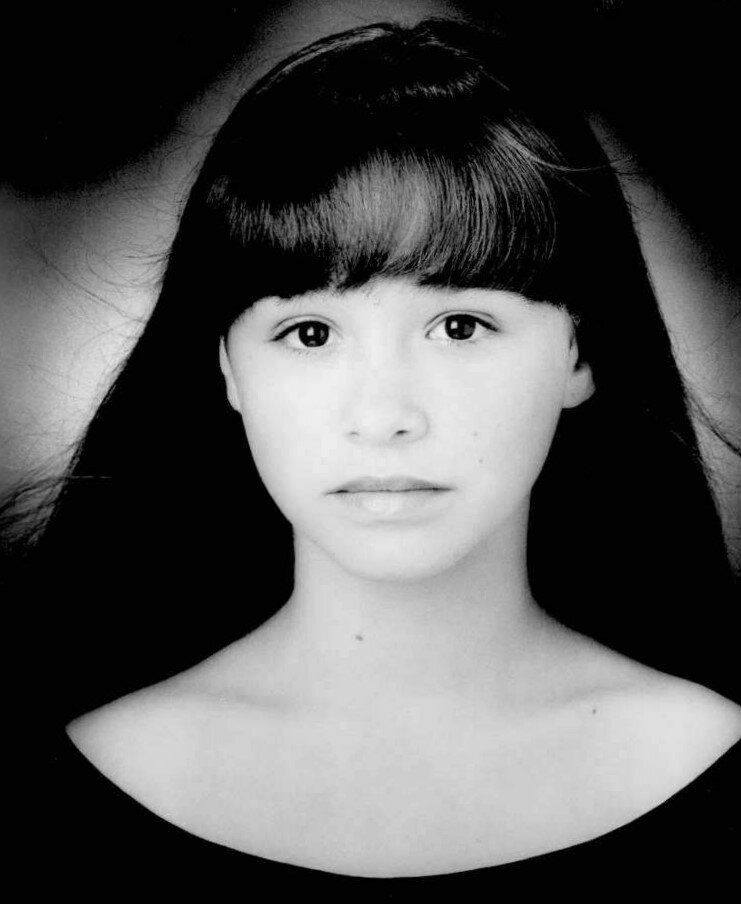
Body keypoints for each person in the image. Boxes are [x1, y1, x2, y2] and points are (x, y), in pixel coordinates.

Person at [7, 17, 739, 895]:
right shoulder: (75, 778)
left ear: (579, 355)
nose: (384, 416)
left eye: (460, 326)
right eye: (310, 333)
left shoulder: (702, 750)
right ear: (228, 369)